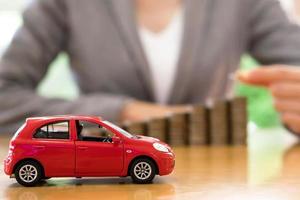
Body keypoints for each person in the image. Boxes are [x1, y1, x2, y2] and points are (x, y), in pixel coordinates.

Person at [1, 0, 300, 134]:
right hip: (103, 175)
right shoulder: (62, 4)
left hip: (216, 181)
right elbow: (5, 96)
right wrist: (121, 112)